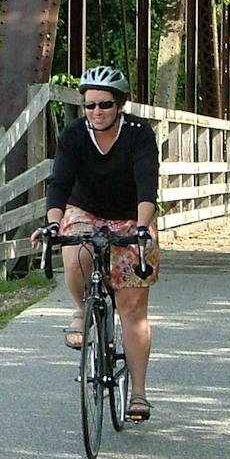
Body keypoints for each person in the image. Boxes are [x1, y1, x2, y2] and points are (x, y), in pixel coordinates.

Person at [30, 65, 160, 421]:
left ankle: (138, 393)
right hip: (84, 208)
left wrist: (144, 228)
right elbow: (59, 182)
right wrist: (52, 223)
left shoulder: (138, 133)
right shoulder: (73, 134)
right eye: (89, 105)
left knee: (132, 308)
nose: (97, 112)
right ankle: (79, 307)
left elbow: (148, 185)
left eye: (104, 104)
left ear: (119, 105)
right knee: (75, 248)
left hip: (131, 214)